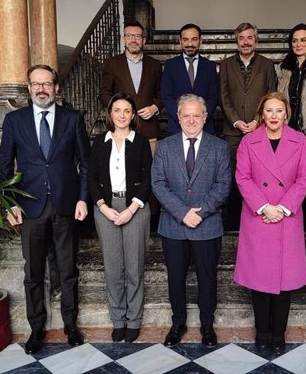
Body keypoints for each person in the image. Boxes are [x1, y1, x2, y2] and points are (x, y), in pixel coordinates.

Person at [0, 64, 90, 354]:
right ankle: (36, 328)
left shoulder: (72, 119)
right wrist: (10, 203)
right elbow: (3, 168)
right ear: (28, 88)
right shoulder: (15, 121)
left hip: (65, 203)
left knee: (67, 270)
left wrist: (83, 198)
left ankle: (70, 325)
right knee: (34, 272)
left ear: (56, 87)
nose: (41, 89)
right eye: (35, 84)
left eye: (46, 84)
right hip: (29, 207)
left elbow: (86, 164)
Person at [233, 92, 306, 354]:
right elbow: (243, 178)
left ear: (286, 114)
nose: (274, 116)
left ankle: (278, 333)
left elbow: (304, 179)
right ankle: (262, 332)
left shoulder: (300, 141)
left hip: (287, 217)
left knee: (284, 282)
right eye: (269, 111)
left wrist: (284, 208)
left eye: (279, 111)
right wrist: (265, 206)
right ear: (262, 114)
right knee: (260, 281)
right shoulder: (248, 142)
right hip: (259, 217)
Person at [151, 94, 230, 348]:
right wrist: (182, 213)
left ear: (205, 117)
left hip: (207, 225)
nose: (192, 119)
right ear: (178, 117)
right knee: (175, 277)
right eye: (186, 115)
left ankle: (207, 324)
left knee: (208, 277)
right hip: (173, 225)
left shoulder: (219, 147)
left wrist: (201, 211)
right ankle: (178, 323)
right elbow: (158, 184)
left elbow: (223, 185)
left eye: (197, 115)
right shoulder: (164, 146)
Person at [88, 93, 152, 344]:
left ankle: (134, 320)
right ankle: (118, 320)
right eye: (117, 110)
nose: (122, 115)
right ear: (110, 114)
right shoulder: (99, 142)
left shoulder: (141, 142)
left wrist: (132, 208)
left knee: (134, 268)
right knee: (114, 269)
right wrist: (102, 206)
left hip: (134, 206)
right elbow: (91, 177)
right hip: (106, 208)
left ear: (133, 115)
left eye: (127, 110)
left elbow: (149, 179)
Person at [219, 22, 277, 229]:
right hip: (233, 131)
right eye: (242, 38)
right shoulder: (225, 65)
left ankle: (260, 215)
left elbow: (271, 96)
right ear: (237, 41)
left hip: (259, 128)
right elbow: (223, 96)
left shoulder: (267, 65)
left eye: (249, 37)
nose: (245, 42)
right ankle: (234, 220)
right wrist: (236, 121)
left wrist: (256, 120)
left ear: (256, 40)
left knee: (259, 174)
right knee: (235, 175)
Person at [99, 21, 163, 152]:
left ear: (144, 40)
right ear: (123, 39)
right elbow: (104, 94)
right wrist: (118, 111)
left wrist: (155, 107)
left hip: (148, 129)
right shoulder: (112, 64)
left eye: (138, 36)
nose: (133, 40)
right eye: (129, 36)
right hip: (120, 130)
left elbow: (162, 92)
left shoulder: (155, 65)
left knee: (149, 170)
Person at [160, 23, 219, 135]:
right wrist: (181, 118)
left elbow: (214, 96)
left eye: (194, 39)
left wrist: (201, 118)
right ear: (180, 42)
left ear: (200, 41)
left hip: (205, 127)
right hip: (177, 127)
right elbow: (166, 96)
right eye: (186, 40)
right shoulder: (170, 65)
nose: (190, 44)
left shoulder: (209, 66)